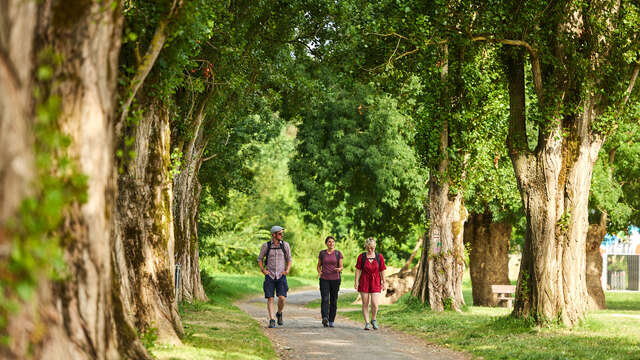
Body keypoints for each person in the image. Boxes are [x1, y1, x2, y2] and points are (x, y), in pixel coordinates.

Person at [258, 225, 292, 328]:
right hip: (270, 276)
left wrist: (287, 270)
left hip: (281, 275)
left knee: (282, 298)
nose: (282, 235)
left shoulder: (285, 245)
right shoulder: (266, 246)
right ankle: (272, 319)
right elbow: (260, 259)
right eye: (280, 234)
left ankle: (279, 313)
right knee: (270, 298)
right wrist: (263, 270)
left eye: (282, 233)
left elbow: (289, 259)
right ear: (274, 235)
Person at [354, 237, 386, 330]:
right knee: (365, 303)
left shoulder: (379, 257)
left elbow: (382, 270)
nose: (370, 249)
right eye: (368, 247)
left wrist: (384, 282)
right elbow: (358, 270)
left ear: (375, 246)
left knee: (375, 304)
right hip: (364, 281)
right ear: (365, 247)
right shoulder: (362, 257)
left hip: (375, 281)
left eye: (372, 247)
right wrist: (356, 281)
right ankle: (367, 322)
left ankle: (374, 319)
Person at [317, 236, 343, 328]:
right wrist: (319, 272)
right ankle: (325, 318)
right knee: (325, 298)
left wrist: (339, 269)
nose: (331, 243)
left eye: (332, 242)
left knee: (333, 300)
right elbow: (318, 265)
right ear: (326, 243)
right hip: (324, 279)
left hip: (335, 279)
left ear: (334, 243)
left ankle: (331, 320)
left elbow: (341, 267)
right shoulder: (322, 253)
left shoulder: (338, 253)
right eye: (329, 242)